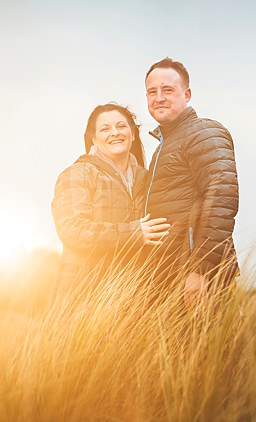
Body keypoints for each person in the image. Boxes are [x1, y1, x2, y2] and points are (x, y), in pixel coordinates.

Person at [141, 58, 239, 306]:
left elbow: (221, 202)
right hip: (168, 275)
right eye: (152, 92)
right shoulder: (164, 145)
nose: (159, 97)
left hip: (196, 279)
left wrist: (200, 270)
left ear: (187, 94)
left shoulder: (203, 133)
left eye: (168, 90)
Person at [51, 103, 170, 295]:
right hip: (84, 296)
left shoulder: (147, 178)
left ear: (132, 134)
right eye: (105, 129)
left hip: (132, 298)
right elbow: (72, 229)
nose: (115, 132)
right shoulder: (77, 174)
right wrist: (134, 233)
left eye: (121, 126)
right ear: (94, 139)